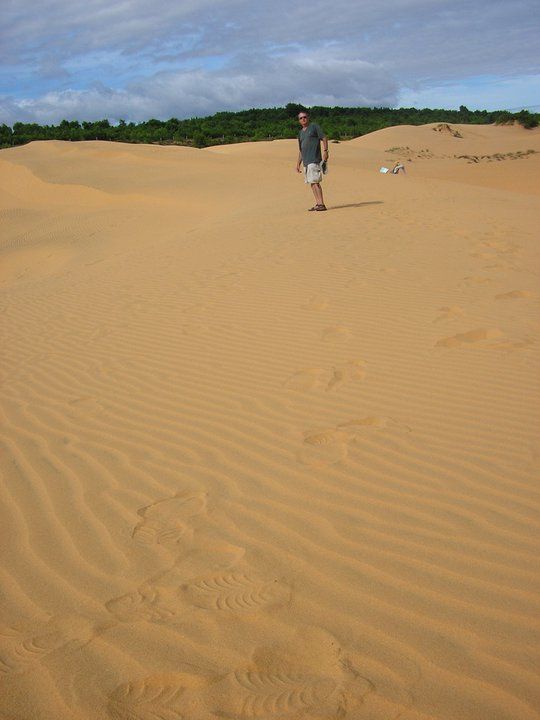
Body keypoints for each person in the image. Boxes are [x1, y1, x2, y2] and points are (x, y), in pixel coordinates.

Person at [296, 111, 329, 211]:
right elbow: (301, 150)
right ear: (299, 121)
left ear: (308, 117)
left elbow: (324, 138)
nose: (303, 119)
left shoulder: (314, 126)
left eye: (304, 117)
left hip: (314, 159)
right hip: (306, 162)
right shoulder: (300, 133)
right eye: (301, 118)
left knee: (315, 182)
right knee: (311, 182)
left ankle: (322, 204)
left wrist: (326, 151)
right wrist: (298, 163)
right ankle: (318, 204)